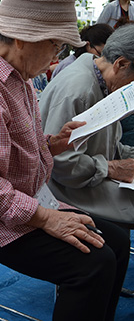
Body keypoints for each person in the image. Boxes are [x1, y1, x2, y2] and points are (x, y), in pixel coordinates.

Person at [0, 0, 129, 321]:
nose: (57, 56)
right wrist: (48, 218)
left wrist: (51, 145)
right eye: (55, 45)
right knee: (92, 264)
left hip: (21, 198)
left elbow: (8, 148)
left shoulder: (17, 77)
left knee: (112, 241)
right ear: (24, 38)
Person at [40, 24, 134, 226]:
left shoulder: (102, 81)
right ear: (121, 64)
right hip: (63, 188)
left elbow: (107, 144)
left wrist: (128, 155)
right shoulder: (79, 89)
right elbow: (62, 164)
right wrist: (110, 168)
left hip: (86, 177)